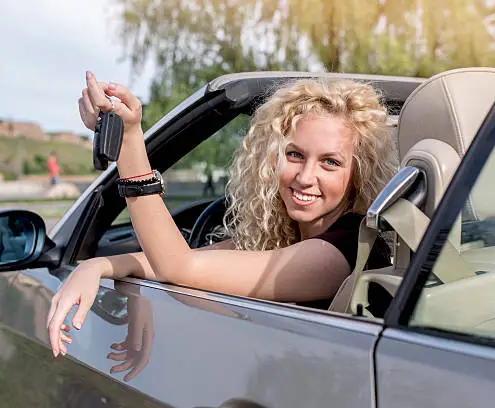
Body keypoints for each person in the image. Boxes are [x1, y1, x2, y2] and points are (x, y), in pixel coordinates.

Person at [46, 71, 398, 357]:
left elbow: (178, 267)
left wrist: (129, 141)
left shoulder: (339, 251)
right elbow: (183, 259)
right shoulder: (284, 237)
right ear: (272, 156)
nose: (305, 177)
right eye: (294, 155)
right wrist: (99, 265)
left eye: (330, 162)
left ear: (359, 173)